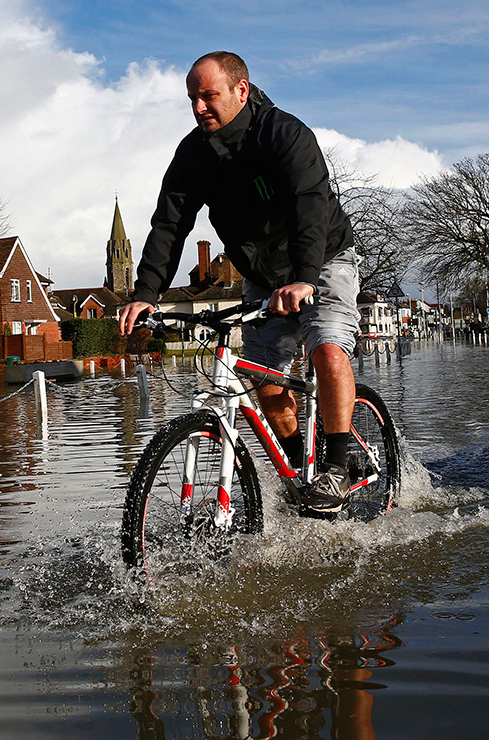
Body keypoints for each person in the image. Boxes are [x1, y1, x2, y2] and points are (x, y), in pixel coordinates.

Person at [118, 51, 360, 513]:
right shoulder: (193, 155)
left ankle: (338, 465)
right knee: (263, 380)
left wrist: (306, 278)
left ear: (240, 90)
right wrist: (145, 294)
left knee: (327, 348)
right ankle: (300, 476)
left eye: (208, 96)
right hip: (262, 277)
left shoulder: (286, 135)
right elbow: (170, 225)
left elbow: (310, 206)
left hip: (322, 261)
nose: (199, 108)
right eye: (192, 99)